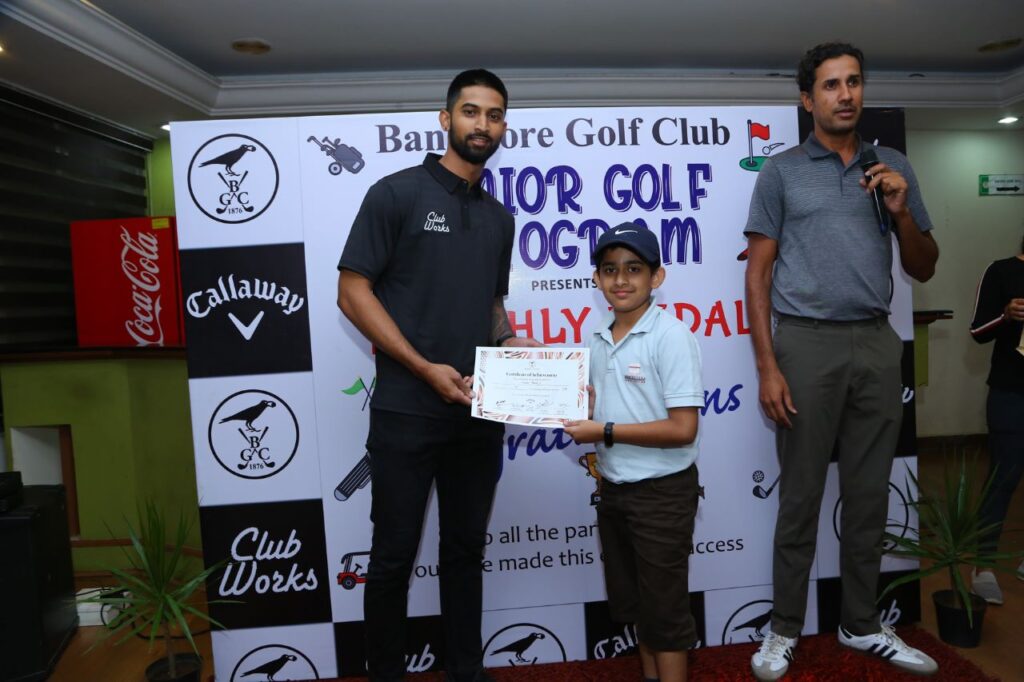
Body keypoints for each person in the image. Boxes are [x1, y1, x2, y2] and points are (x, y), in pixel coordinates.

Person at [743, 42, 940, 680]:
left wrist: (901, 212)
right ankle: (782, 629)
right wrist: (768, 366)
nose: (845, 94)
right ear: (808, 99)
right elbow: (757, 275)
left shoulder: (893, 165)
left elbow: (923, 266)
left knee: (869, 495)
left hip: (877, 342)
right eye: (830, 85)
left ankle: (861, 622)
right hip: (804, 343)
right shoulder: (781, 171)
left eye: (853, 81)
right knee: (800, 497)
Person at [336, 68, 539, 682]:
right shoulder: (395, 194)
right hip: (406, 410)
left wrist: (512, 343)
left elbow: (491, 305)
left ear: (504, 127)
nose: (483, 125)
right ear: (446, 119)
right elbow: (352, 292)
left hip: (478, 411)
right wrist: (424, 368)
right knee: (392, 558)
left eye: (495, 115)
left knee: (465, 553)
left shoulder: (500, 218)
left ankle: (465, 671)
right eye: (471, 112)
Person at [563, 222, 703, 682]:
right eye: (609, 270)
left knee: (665, 612)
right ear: (597, 278)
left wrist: (602, 430)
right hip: (614, 488)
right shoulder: (596, 335)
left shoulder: (671, 335)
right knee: (639, 606)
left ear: (656, 277)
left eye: (634, 269)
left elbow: (683, 429)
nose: (620, 280)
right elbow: (601, 406)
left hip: (662, 493)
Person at [968, 232, 1024, 604]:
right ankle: (983, 567)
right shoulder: (1001, 271)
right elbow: (976, 331)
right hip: (1011, 391)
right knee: (1004, 478)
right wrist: (1005, 316)